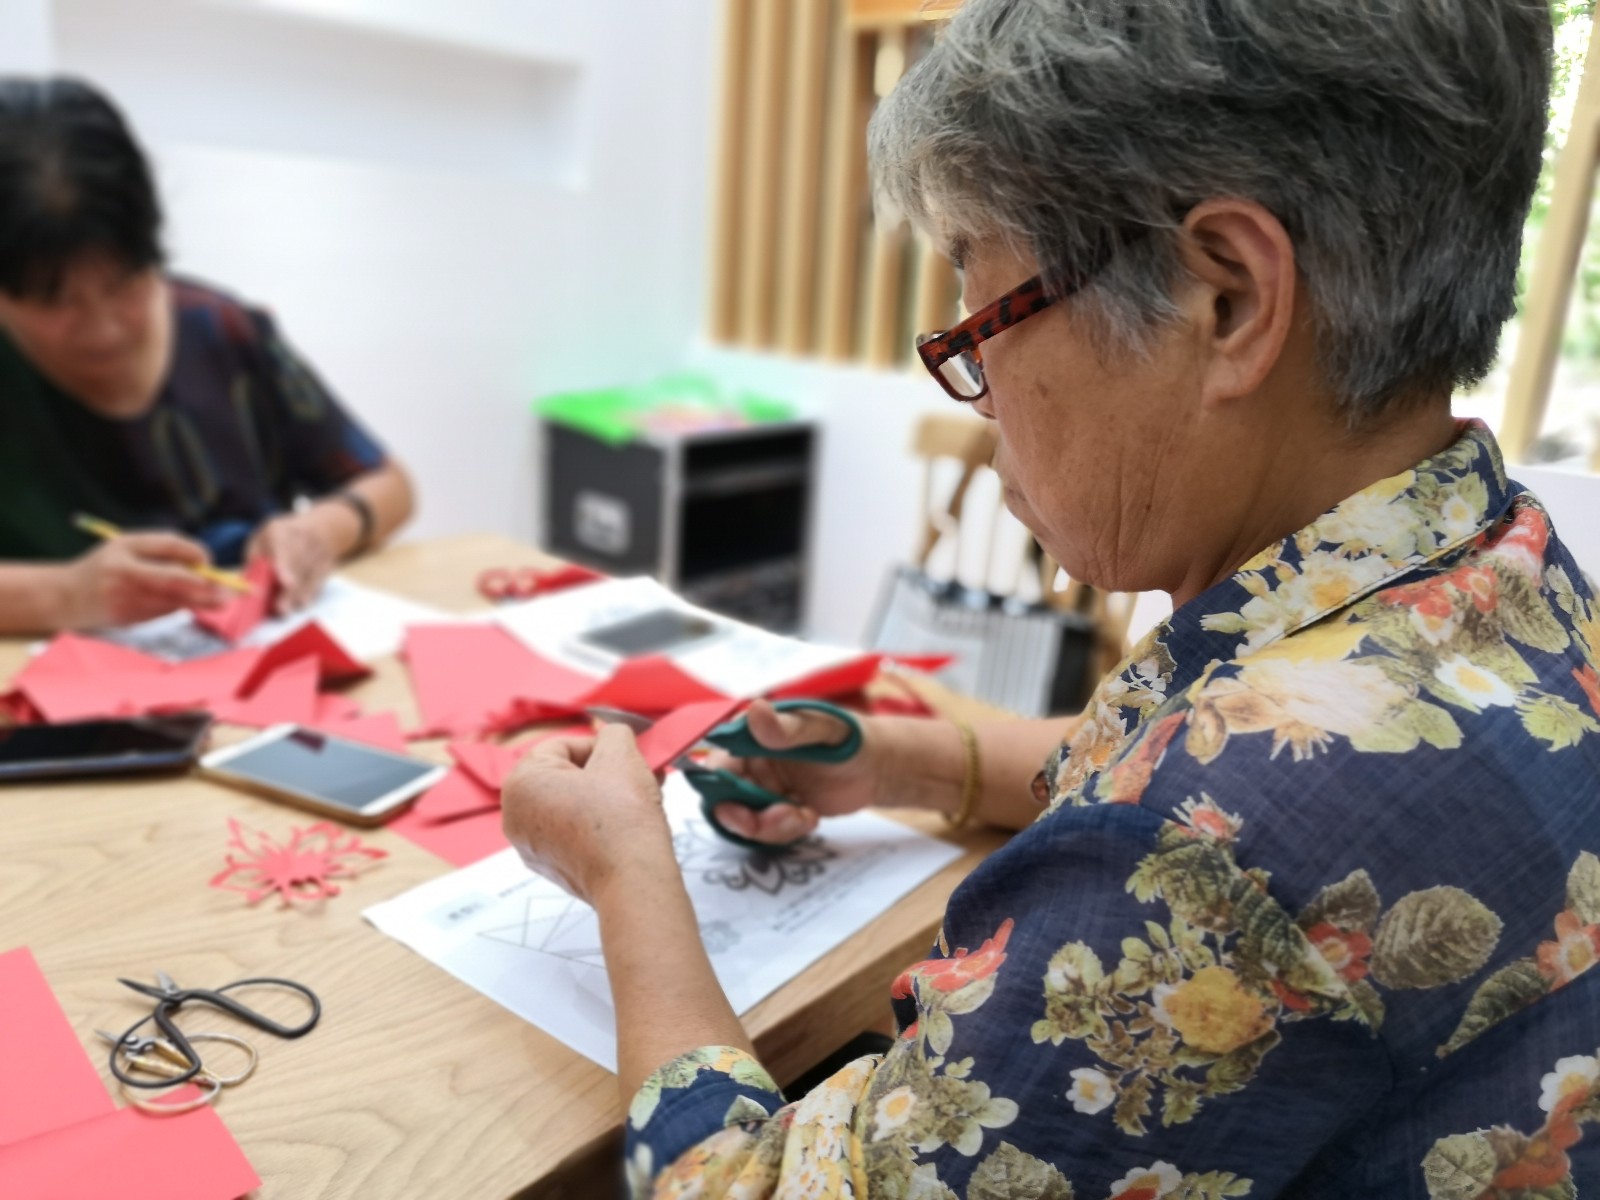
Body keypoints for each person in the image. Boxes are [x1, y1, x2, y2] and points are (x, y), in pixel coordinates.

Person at [503, 0, 1600, 1195]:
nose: (983, 401)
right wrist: (903, 761)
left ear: (1226, 300)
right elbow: (1188, 753)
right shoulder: (1496, 556)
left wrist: (625, 872)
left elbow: (735, 1185)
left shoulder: (1208, 856)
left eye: (984, 322)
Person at [0, 77, 413, 634]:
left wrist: (320, 530)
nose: (103, 329)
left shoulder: (222, 331)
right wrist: (64, 595)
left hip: (256, 662)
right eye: (54, 302)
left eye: (124, 284)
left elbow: (389, 483)